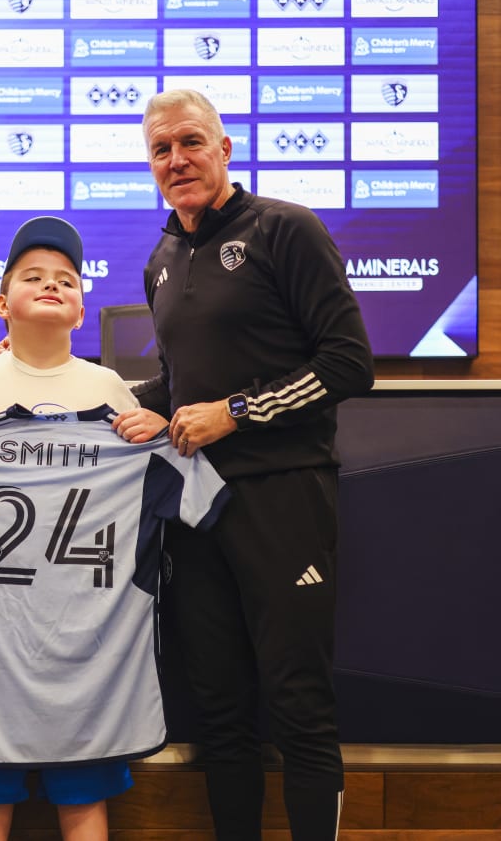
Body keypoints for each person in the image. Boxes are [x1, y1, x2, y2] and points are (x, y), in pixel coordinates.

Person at [0, 216, 215, 841]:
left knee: (84, 800)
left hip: (93, 645)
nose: (50, 285)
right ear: (1, 303)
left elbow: (171, 479)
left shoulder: (109, 387)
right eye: (32, 276)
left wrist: (153, 429)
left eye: (65, 279)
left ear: (81, 308)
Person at [112, 89, 375, 840]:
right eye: (160, 150)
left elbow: (349, 364)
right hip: (196, 512)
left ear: (225, 149)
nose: (176, 160)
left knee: (299, 705)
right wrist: (68, 380)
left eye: (190, 142)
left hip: (285, 499)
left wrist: (236, 411)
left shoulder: (285, 229)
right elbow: (173, 386)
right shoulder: (161, 260)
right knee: (219, 711)